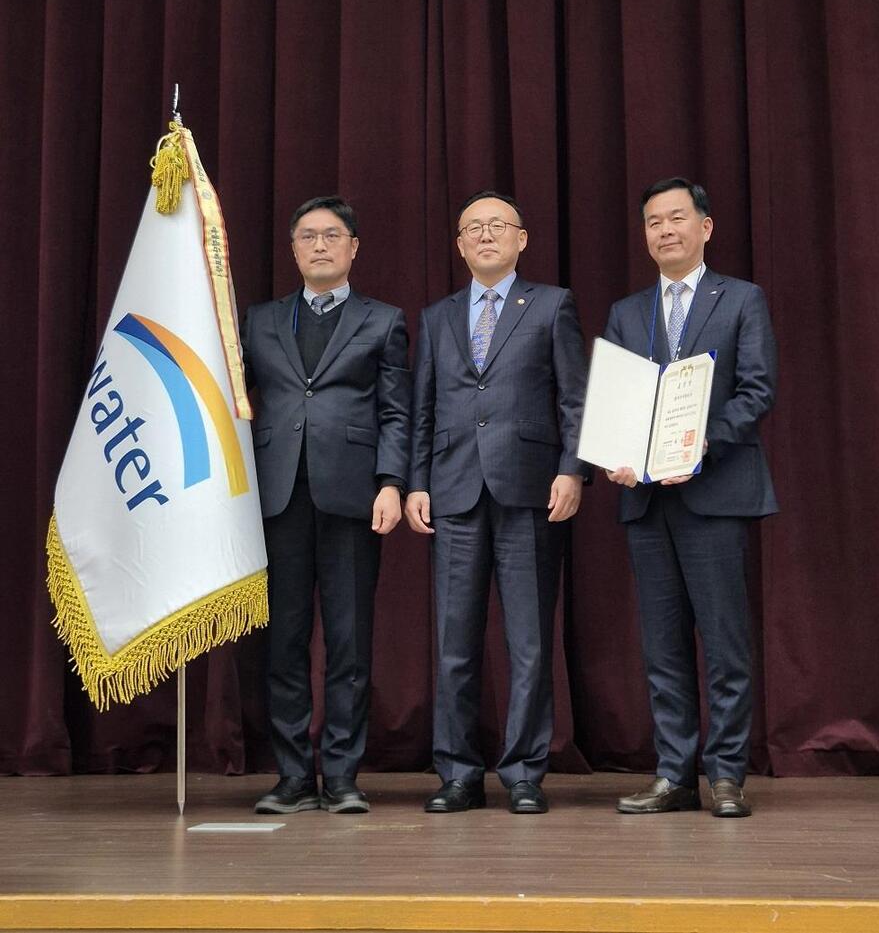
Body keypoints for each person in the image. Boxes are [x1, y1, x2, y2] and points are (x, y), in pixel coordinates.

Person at [405, 190, 590, 815]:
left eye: (497, 226)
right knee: (455, 642)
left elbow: (574, 400)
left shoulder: (552, 305)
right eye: (472, 229)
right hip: (453, 492)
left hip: (531, 490)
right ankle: (457, 771)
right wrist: (417, 482)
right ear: (458, 245)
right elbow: (423, 409)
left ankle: (522, 772)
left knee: (530, 641)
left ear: (522, 238)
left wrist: (572, 471)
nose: (485, 236)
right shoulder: (436, 317)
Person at [604, 177, 777, 818]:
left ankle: (725, 774)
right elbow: (617, 404)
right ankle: (673, 775)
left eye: (677, 218)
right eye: (653, 222)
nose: (665, 230)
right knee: (663, 646)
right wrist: (616, 452)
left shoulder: (742, 300)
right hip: (647, 503)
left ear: (706, 227)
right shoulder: (626, 313)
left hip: (716, 494)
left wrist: (698, 446)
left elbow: (757, 392)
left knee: (726, 643)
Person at [241, 196, 410, 815]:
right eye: (307, 236)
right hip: (277, 498)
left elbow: (397, 410)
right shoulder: (259, 320)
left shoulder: (384, 319)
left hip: (353, 498)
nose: (319, 246)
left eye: (331, 235)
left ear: (353, 248)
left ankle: (341, 775)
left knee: (349, 642)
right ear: (292, 249)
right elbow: (234, 404)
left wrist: (391, 481)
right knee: (283, 641)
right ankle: (291, 776)